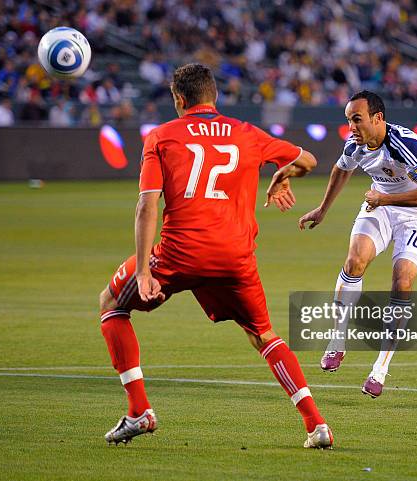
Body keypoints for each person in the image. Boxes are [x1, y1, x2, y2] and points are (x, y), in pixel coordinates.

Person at [99, 63, 333, 449]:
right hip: (235, 258)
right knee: (265, 337)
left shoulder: (160, 136)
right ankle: (316, 425)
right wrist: (281, 175)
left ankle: (139, 410)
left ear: (179, 99)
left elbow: (147, 206)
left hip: (178, 254)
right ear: (215, 96)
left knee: (111, 303)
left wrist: (143, 271)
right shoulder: (246, 133)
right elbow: (308, 160)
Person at [299, 90, 417, 398]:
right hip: (381, 204)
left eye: (357, 119)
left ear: (378, 118)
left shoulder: (407, 143)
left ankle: (380, 368)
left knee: (401, 281)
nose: (351, 127)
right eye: (348, 120)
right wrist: (322, 209)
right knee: (354, 261)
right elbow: (342, 168)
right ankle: (338, 340)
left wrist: (384, 198)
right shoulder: (355, 143)